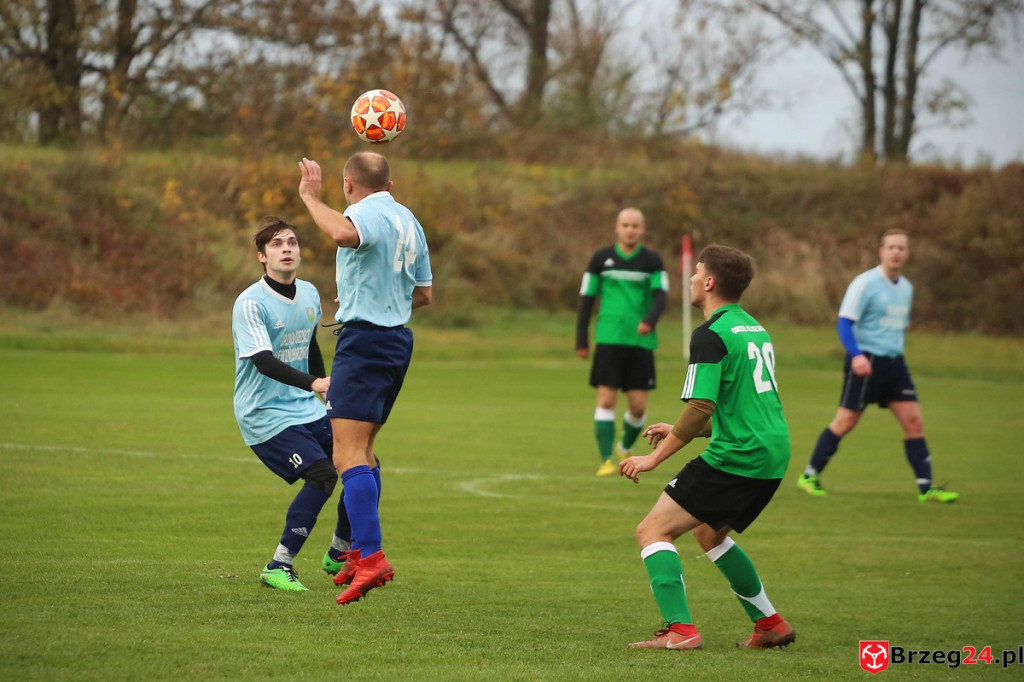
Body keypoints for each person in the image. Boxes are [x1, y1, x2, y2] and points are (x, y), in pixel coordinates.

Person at [620, 244, 795, 651]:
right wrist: (681, 428)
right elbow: (741, 408)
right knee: (708, 533)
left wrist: (652, 459)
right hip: (772, 450)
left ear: (710, 282)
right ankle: (769, 623)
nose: (693, 278)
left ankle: (680, 631)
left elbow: (701, 406)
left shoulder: (710, 335)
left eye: (697, 272)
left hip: (739, 454)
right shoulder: (753, 328)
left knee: (653, 530)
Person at [298, 151, 432, 605]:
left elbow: (341, 232)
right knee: (366, 452)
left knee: (346, 455)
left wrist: (310, 198)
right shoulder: (409, 220)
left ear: (349, 186)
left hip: (365, 343)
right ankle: (357, 553)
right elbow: (425, 293)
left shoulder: (359, 212)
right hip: (396, 342)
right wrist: (373, 295)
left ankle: (372, 557)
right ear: (390, 187)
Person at [232, 216, 350, 592]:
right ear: (262, 256)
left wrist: (321, 388)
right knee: (323, 475)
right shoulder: (250, 303)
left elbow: (310, 342)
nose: (287, 249)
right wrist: (315, 382)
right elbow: (262, 361)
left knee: (364, 466)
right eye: (277, 244)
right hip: (263, 413)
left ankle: (340, 552)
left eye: (293, 243)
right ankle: (278, 566)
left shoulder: (311, 293)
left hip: (305, 405)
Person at [796, 229, 959, 503]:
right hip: (866, 361)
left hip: (894, 364)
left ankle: (926, 488)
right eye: (891, 247)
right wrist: (856, 355)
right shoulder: (865, 283)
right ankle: (809, 475)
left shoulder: (906, 288)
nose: (896, 252)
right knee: (846, 421)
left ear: (907, 254)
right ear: (881, 251)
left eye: (901, 248)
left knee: (914, 422)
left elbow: (899, 325)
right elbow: (844, 322)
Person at [576, 207, 668, 476]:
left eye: (635, 225)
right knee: (606, 400)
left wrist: (649, 320)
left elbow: (661, 295)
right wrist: (581, 339)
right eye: (625, 225)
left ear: (643, 230)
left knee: (638, 407)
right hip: (609, 339)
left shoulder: (652, 261)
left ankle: (624, 444)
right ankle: (606, 459)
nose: (630, 229)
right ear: (617, 227)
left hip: (640, 343)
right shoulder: (600, 259)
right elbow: (586, 299)